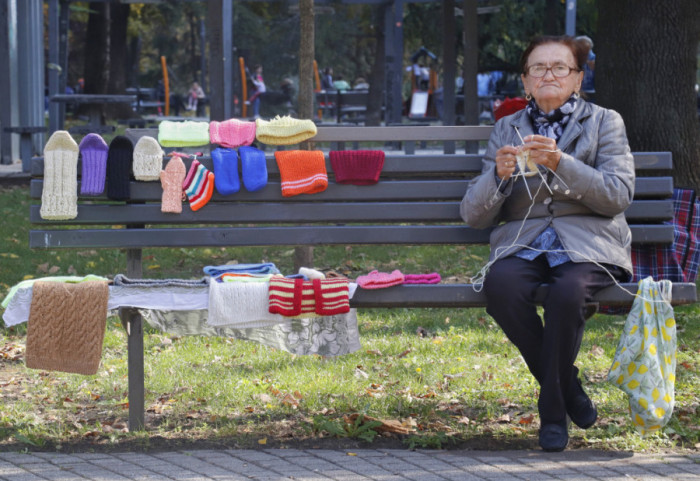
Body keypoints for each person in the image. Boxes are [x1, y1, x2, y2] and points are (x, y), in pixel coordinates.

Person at [460, 35, 635, 452]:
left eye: (560, 68)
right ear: (525, 82)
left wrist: (562, 163)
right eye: (538, 68)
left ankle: (553, 413)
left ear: (578, 79)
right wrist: (498, 178)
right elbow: (473, 214)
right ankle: (569, 388)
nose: (548, 75)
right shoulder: (507, 127)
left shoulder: (605, 122)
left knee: (568, 293)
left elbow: (618, 194)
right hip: (524, 242)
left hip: (588, 243)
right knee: (501, 285)